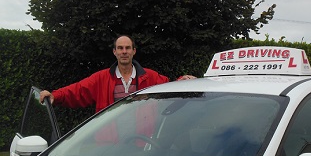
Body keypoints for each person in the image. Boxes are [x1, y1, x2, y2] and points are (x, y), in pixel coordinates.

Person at [40, 35, 195, 112]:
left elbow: (168, 88)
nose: (124, 52)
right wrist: (55, 96)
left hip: (141, 142)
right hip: (110, 144)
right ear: (114, 52)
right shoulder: (101, 78)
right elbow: (77, 91)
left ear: (134, 51)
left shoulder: (150, 76)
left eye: (128, 48)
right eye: (120, 48)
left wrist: (183, 80)